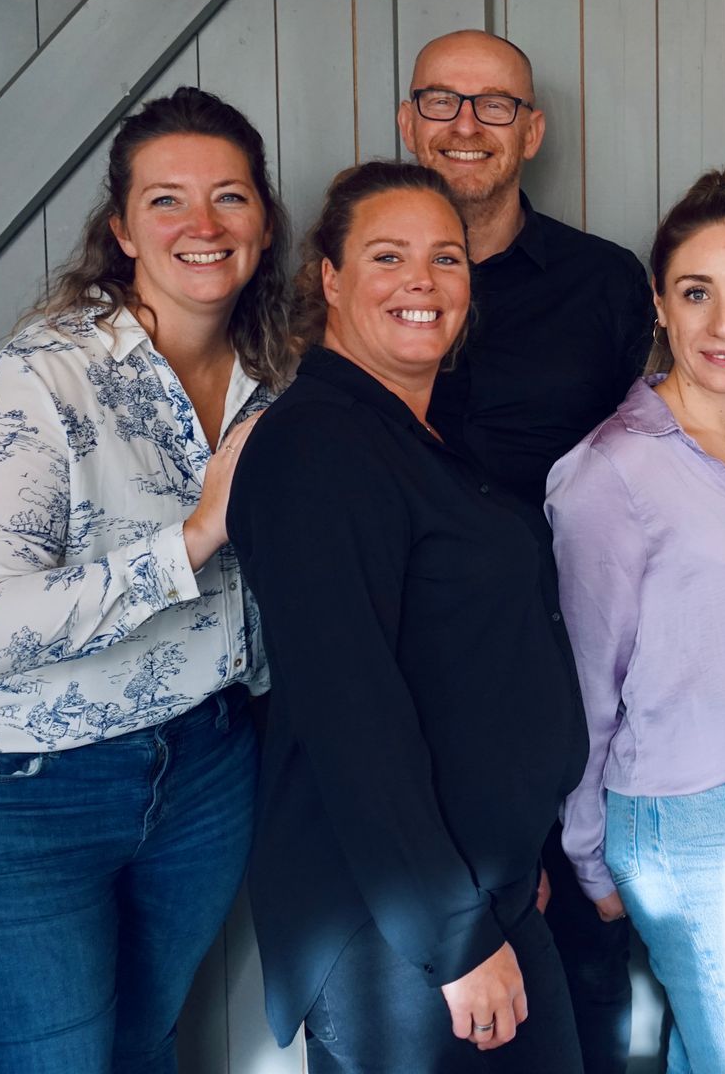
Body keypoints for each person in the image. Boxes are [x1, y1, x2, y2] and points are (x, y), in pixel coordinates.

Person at [0, 87, 290, 1073]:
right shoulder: (51, 371)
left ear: (264, 219)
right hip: (19, 790)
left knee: (142, 1048)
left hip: (201, 773)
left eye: (229, 197)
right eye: (167, 200)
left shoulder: (277, 373)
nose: (202, 225)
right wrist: (193, 537)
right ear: (120, 227)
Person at [228, 161, 587, 1071]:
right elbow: (350, 712)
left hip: (478, 883)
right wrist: (454, 932)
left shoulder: (415, 437)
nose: (422, 282)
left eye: (447, 259)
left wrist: (503, 863)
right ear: (331, 279)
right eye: (388, 256)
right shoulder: (317, 445)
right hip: (395, 925)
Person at [399, 28, 650, 1071]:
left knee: (583, 986)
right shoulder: (355, 284)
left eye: (494, 104)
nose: (466, 124)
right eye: (442, 101)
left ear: (533, 130)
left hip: (567, 691)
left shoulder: (601, 283)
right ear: (409, 122)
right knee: (416, 994)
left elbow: (656, 467)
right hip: (402, 685)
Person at [546, 168, 725, 1074]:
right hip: (686, 812)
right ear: (660, 307)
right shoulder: (609, 473)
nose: (722, 324)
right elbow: (588, 681)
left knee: (717, 1049)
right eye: (694, 293)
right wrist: (589, 852)